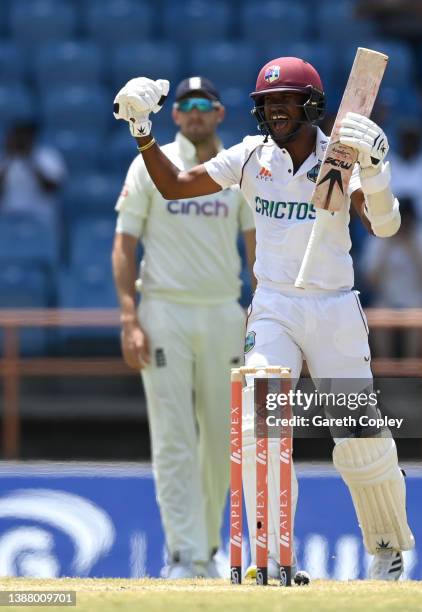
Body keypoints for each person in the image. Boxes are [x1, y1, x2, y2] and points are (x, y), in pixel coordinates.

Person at [113, 57, 415, 580]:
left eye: (286, 102)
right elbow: (177, 185)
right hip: (274, 305)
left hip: (335, 308)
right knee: (261, 427)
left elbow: (384, 227)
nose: (275, 111)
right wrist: (143, 132)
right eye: (268, 103)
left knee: (360, 436)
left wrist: (376, 171)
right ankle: (273, 558)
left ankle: (387, 550)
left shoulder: (339, 158)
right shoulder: (252, 157)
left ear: (312, 106)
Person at [112, 76, 256, 579]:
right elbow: (125, 244)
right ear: (174, 115)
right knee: (173, 437)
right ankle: (182, 554)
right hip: (165, 311)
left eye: (204, 104)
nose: (194, 112)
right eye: (186, 105)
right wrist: (130, 317)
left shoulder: (237, 167)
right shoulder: (149, 164)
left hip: (222, 311)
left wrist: (261, 315)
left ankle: (208, 552)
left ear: (219, 113)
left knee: (222, 438)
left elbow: (256, 249)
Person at [362, 197, 422, 356]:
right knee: (379, 315)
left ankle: (410, 375)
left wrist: (414, 250)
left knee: (415, 316)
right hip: (387, 300)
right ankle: (387, 376)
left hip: (421, 300)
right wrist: (387, 248)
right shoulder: (379, 237)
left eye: (406, 223)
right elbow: (370, 283)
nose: (402, 228)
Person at [0, 120, 66, 230]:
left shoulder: (48, 157)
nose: (19, 142)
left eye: (23, 139)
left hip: (41, 218)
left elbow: (50, 189)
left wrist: (30, 161)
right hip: (8, 217)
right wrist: (9, 160)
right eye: (16, 138)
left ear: (32, 139)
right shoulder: (4, 160)